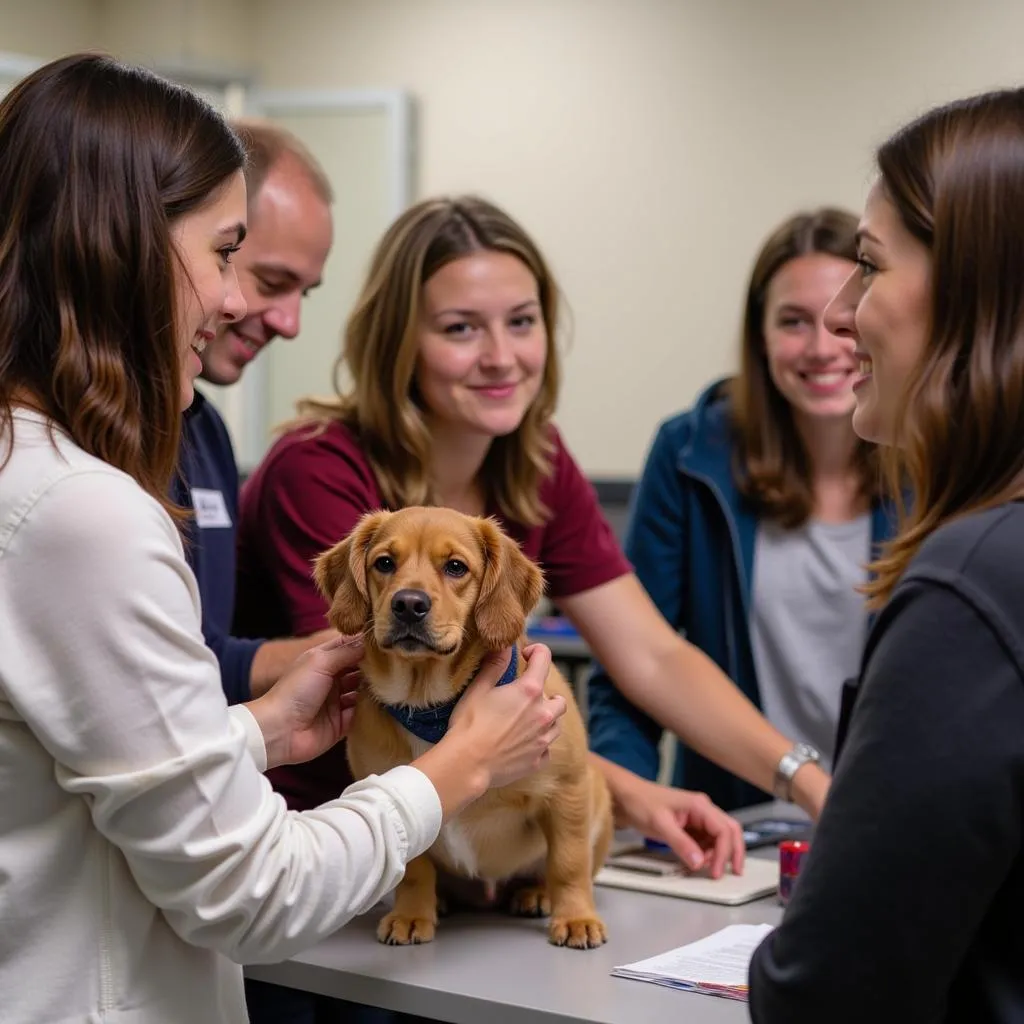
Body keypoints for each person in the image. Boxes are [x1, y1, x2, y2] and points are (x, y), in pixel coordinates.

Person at [0, 54, 565, 1024]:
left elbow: (72, 776)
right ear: (124, 244)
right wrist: (455, 765)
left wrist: (255, 728)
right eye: (226, 254)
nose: (232, 303)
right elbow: (253, 896)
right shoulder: (83, 515)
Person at [235, 194, 831, 868]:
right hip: (321, 857)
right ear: (399, 343)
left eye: (521, 322)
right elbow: (386, 679)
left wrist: (809, 784)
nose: (501, 356)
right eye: (460, 329)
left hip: (460, 852)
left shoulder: (536, 464)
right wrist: (625, 788)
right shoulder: (317, 467)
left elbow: (653, 657)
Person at [748, 87, 1024, 1022]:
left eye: (867, 267)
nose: (836, 312)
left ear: (980, 289)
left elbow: (825, 994)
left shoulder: (974, 585)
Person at [588, 209, 896, 812]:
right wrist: (624, 806)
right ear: (759, 335)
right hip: (734, 823)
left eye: (843, 319)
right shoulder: (689, 455)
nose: (821, 347)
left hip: (887, 820)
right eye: (792, 322)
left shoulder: (935, 462)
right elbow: (634, 667)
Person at [173, 118, 337, 704]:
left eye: (305, 293)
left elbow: (209, 650)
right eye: (272, 280)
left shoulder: (204, 431)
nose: (288, 323)